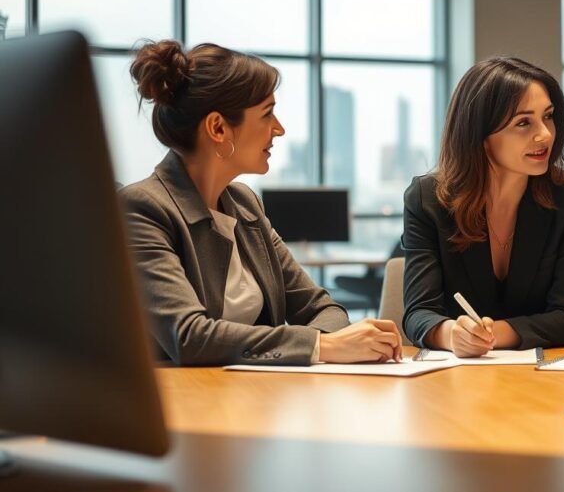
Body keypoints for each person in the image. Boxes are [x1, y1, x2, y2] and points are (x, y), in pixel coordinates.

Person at [120, 40, 402, 366]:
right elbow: (188, 337)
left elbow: (322, 307)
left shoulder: (246, 205)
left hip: (259, 397)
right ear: (218, 128)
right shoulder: (142, 209)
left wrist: (333, 342)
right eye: (268, 113)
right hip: (187, 402)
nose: (279, 129)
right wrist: (322, 347)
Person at [402, 57, 564, 356]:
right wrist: (452, 334)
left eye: (549, 116)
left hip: (540, 378)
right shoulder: (428, 199)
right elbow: (418, 314)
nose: (545, 134)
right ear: (479, 134)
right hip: (452, 383)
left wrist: (490, 335)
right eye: (523, 122)